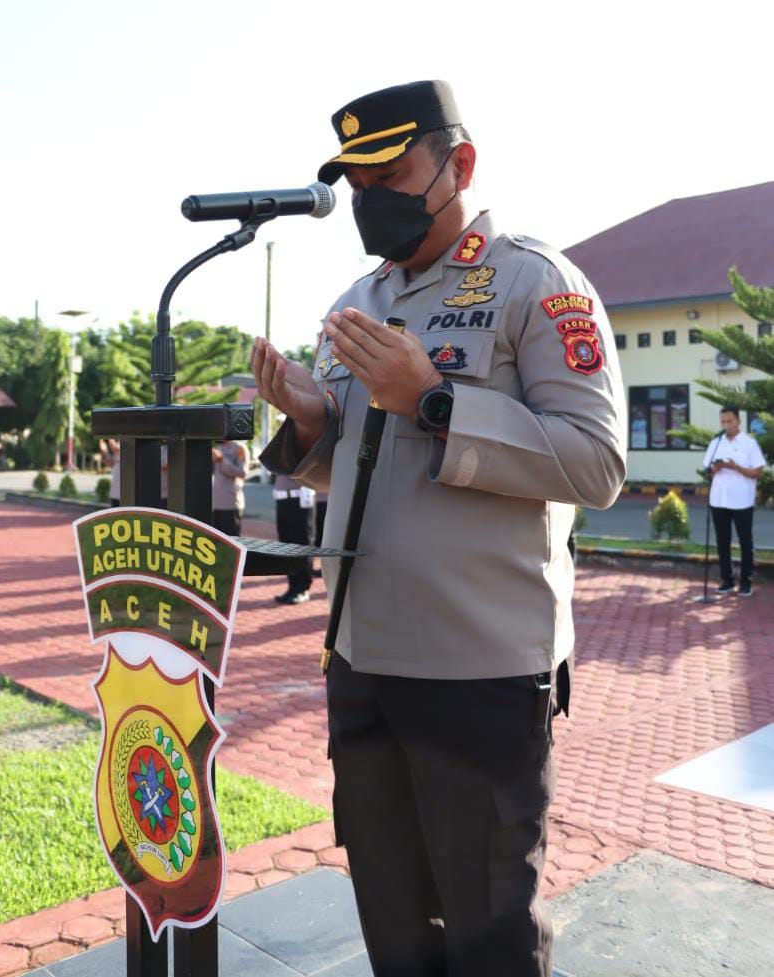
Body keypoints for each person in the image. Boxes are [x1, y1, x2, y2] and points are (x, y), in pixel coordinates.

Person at [252, 79, 626, 977]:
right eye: (357, 179)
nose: (371, 195)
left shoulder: (536, 283)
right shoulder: (358, 299)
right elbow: (347, 465)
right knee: (390, 916)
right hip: (363, 658)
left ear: (458, 163)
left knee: (487, 925)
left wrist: (430, 398)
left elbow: (595, 464)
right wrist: (309, 422)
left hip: (477, 669)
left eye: (392, 170)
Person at [703, 406, 765, 596]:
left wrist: (735, 467)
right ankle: (727, 580)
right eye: (723, 422)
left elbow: (757, 472)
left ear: (738, 421)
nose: (726, 425)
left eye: (729, 421)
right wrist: (716, 468)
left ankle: (746, 582)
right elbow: (708, 468)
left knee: (746, 542)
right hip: (719, 500)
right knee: (722, 542)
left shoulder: (749, 443)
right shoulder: (716, 442)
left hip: (742, 501)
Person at [272, 473, 314, 603]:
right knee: (286, 544)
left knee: (301, 544)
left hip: (299, 498)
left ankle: (303, 589)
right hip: (282, 498)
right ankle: (292, 586)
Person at [211, 439, 248, 535]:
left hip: (230, 503)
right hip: (215, 504)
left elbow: (242, 473)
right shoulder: (219, 447)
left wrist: (222, 460)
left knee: (231, 541)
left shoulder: (239, 448)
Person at [99, 437, 121, 506]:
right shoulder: (118, 441)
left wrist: (109, 436)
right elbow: (111, 463)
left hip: (125, 492)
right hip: (116, 492)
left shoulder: (127, 440)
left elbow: (115, 448)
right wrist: (105, 452)